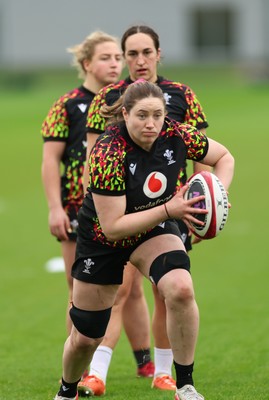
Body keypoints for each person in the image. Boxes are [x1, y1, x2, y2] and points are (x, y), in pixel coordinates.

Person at [53, 80, 234, 400]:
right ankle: (67, 391)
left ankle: (185, 385)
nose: (151, 123)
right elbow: (113, 227)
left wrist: (215, 194)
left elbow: (224, 158)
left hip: (152, 227)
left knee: (180, 288)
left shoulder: (177, 133)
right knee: (86, 338)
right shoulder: (108, 151)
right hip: (102, 237)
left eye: (158, 115)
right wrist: (170, 208)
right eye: (141, 115)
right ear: (124, 114)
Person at [80, 24, 210, 395]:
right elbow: (94, 158)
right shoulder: (108, 97)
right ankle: (97, 372)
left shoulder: (183, 95)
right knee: (119, 291)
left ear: (158, 54)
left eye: (146, 52)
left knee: (171, 290)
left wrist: (202, 206)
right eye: (130, 54)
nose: (139, 61)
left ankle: (165, 373)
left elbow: (204, 157)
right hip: (120, 208)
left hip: (174, 209)